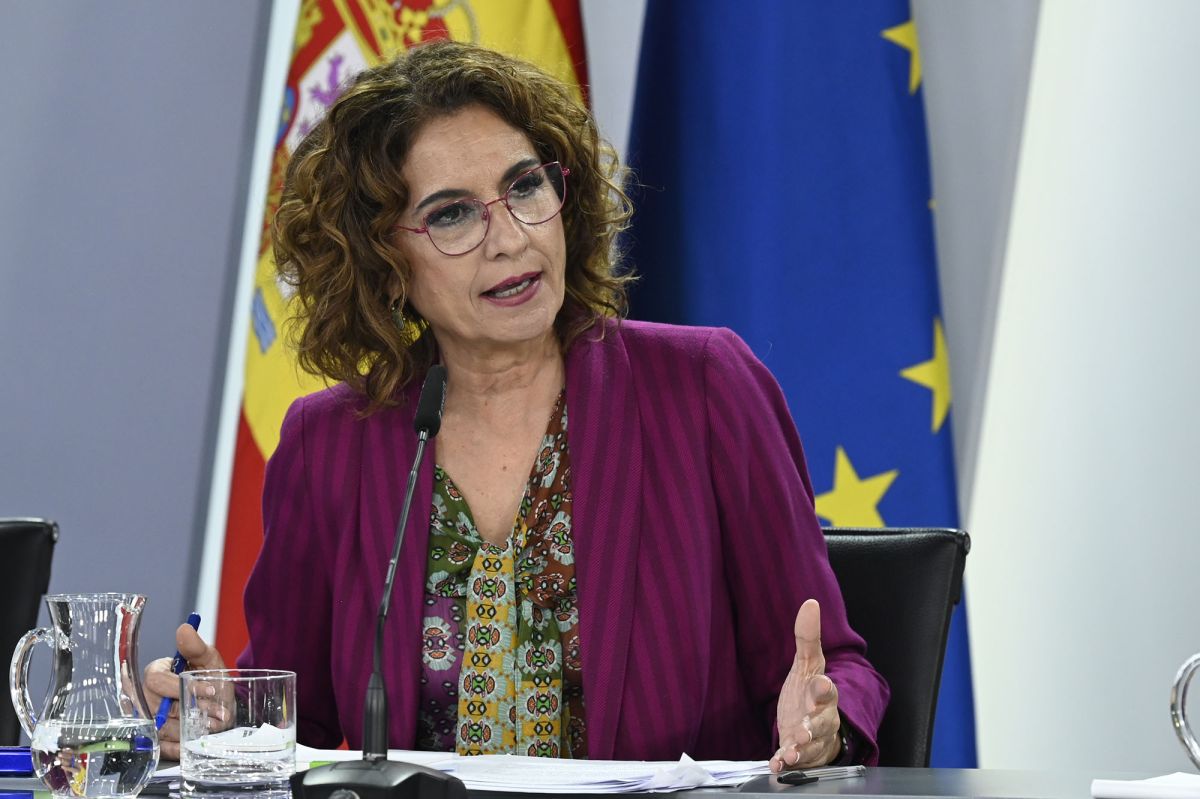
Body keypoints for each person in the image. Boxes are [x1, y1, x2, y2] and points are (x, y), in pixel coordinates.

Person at [145, 40, 888, 771]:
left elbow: (837, 667)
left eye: (526, 187)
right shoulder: (331, 443)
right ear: (385, 261)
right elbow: (292, 714)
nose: (508, 238)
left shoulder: (703, 388)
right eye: (452, 215)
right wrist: (222, 716)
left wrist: (824, 723)